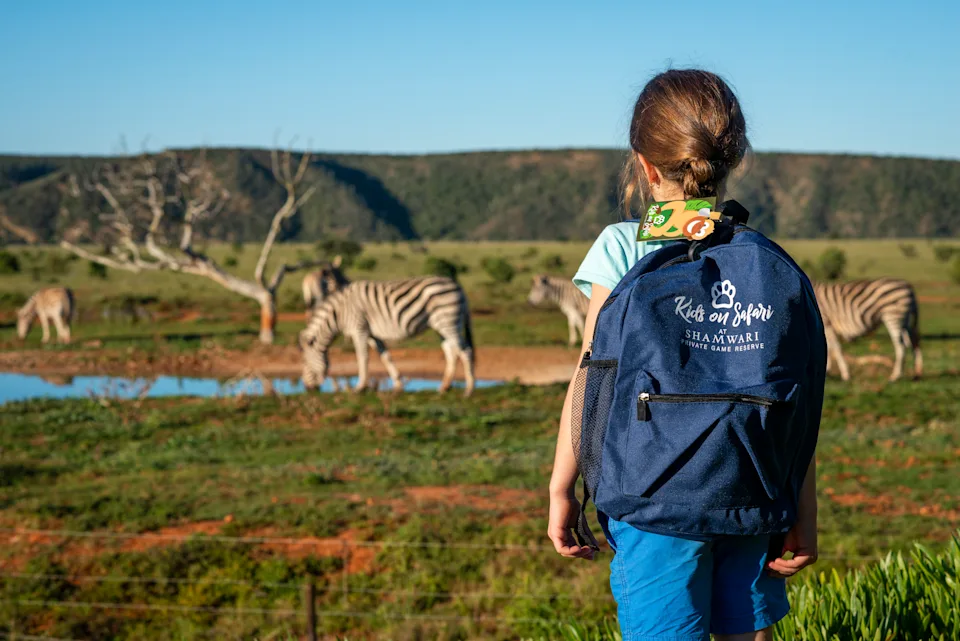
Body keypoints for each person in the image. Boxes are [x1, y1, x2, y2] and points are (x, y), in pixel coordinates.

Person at [547, 69, 818, 641]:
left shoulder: (621, 246)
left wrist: (561, 487)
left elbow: (590, 378)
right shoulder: (762, 263)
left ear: (644, 165)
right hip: (751, 492)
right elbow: (791, 398)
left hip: (652, 501)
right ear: (732, 158)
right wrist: (800, 508)